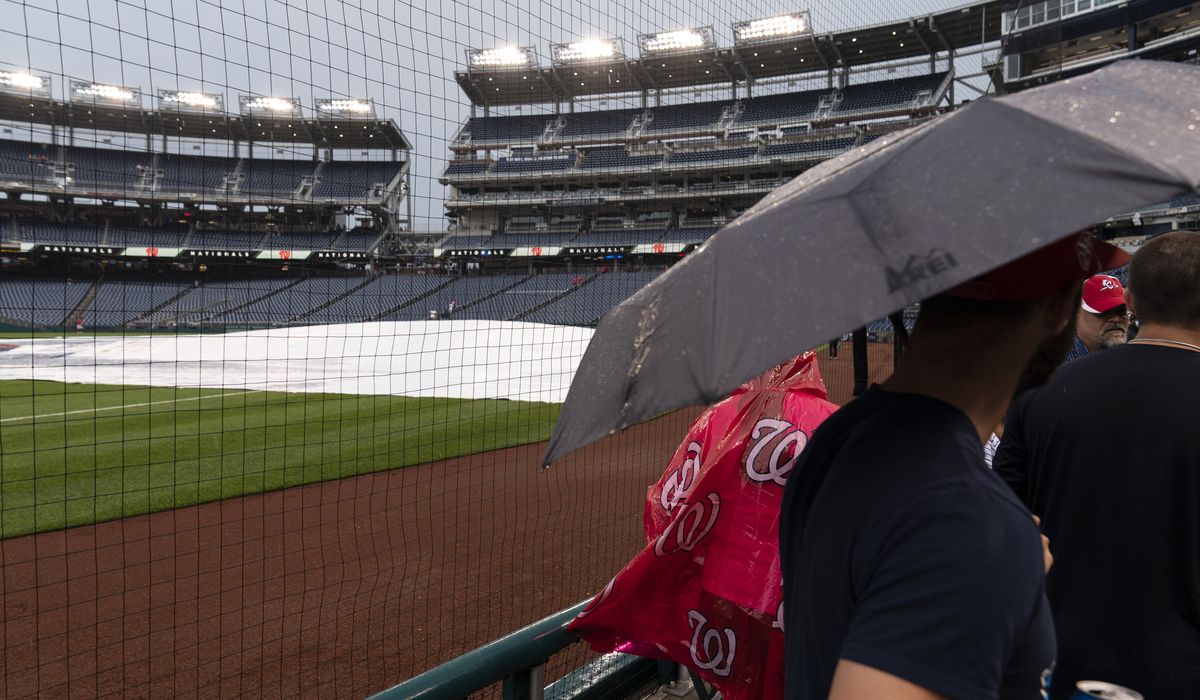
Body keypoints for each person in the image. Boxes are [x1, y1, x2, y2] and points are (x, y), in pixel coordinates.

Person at [780, 230, 1128, 700]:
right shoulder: (969, 522)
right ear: (1059, 308)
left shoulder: (839, 436)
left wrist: (990, 561)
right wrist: (991, 554)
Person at [993, 231, 1200, 699]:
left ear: (1131, 300)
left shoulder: (1043, 390)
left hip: (1060, 659)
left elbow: (1001, 519)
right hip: (1184, 666)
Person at [1062, 274, 1129, 362]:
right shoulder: (1055, 365)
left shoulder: (1136, 357)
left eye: (1121, 311)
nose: (1116, 319)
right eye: (1104, 312)